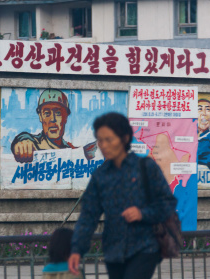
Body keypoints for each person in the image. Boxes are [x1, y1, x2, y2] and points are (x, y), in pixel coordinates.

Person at [68, 112, 177, 279]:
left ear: (125, 138)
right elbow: (88, 216)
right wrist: (76, 249)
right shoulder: (100, 176)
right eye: (100, 140)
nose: (103, 145)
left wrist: (142, 213)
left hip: (145, 247)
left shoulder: (146, 168)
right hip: (114, 252)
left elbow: (167, 203)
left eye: (109, 140)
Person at [11, 89, 96, 162]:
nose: (53, 119)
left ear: (66, 117)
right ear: (40, 117)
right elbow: (23, 139)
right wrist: (22, 142)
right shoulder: (33, 145)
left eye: (58, 113)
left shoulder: (70, 149)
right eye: (47, 113)